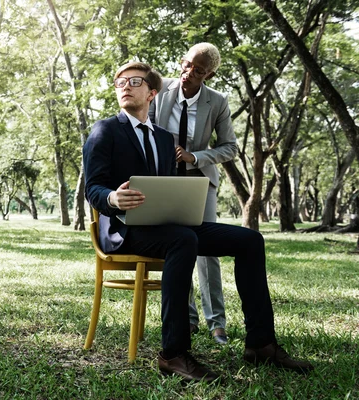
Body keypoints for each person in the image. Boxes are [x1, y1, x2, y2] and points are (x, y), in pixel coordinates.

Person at [82, 61, 313, 382]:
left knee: (249, 241)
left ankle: (260, 344)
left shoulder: (165, 139)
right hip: (124, 230)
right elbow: (92, 187)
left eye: (134, 81)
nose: (125, 86)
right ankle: (173, 353)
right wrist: (112, 198)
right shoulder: (105, 130)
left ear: (152, 93)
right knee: (183, 240)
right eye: (119, 82)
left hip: (167, 225)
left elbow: (167, 189)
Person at [149, 43, 236, 345]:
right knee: (178, 246)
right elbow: (143, 127)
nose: (189, 73)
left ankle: (217, 324)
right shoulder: (159, 90)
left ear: (209, 74)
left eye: (198, 70)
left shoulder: (218, 102)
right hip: (163, 181)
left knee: (207, 249)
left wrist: (194, 157)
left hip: (199, 180)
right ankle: (187, 319)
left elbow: (229, 147)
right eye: (187, 65)